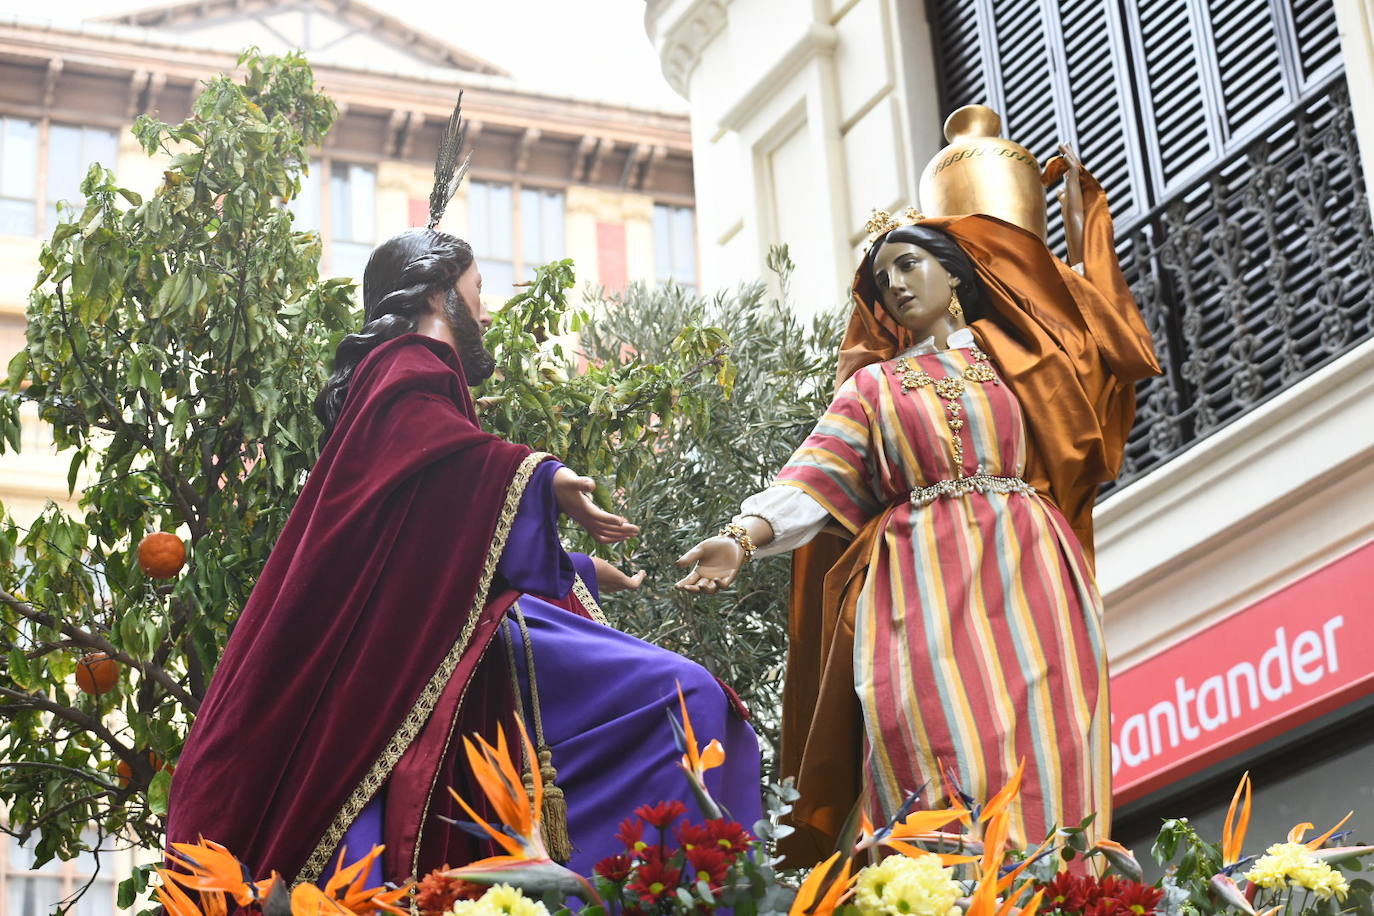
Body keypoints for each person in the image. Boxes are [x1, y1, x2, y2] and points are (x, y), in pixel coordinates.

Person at [165, 226, 762, 887]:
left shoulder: (409, 384)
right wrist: (544, 479)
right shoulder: (404, 370)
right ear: (436, 295)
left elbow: (431, 540)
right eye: (477, 291)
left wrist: (581, 568)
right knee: (685, 699)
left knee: (673, 702)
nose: (484, 311)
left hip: (434, 641)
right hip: (424, 654)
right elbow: (448, 467)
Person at [675, 154, 1159, 864]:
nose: (895, 285)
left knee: (1048, 745)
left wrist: (1078, 232)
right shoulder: (875, 388)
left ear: (955, 272)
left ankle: (1062, 893)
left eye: (908, 265)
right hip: (920, 583)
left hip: (1032, 574)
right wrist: (741, 538)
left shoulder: (1020, 360)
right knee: (939, 742)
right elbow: (815, 476)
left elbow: (1101, 347)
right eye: (882, 279)